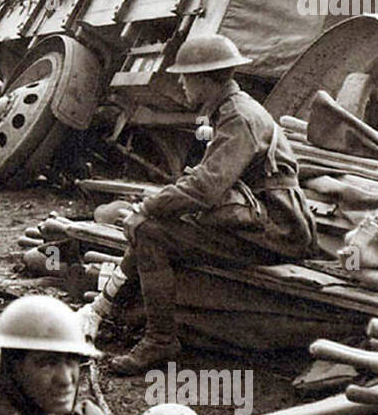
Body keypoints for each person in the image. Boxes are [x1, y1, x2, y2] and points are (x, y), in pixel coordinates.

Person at [79, 35, 316, 373]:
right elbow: (207, 181)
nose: (180, 84)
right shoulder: (230, 111)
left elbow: (205, 188)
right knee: (151, 227)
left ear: (206, 79)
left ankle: (159, 339)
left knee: (149, 231)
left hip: (276, 232)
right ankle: (103, 310)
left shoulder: (239, 118)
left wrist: (147, 208)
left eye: (185, 77)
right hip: (259, 222)